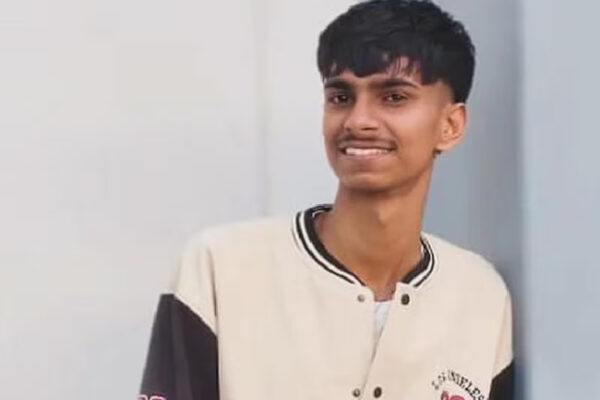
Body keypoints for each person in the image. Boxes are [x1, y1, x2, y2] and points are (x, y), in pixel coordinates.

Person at [138, 1, 514, 399]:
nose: (358, 121)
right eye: (341, 97)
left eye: (393, 97)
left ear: (450, 125)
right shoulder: (221, 266)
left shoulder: (481, 297)